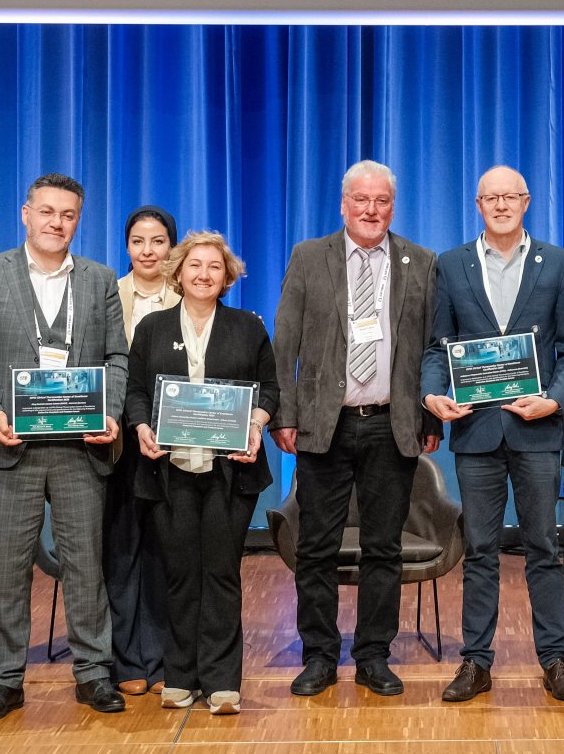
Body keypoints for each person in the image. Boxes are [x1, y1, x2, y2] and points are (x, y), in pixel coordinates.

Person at [0, 173, 129, 721]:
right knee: (9, 569)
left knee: (85, 566)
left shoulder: (100, 279)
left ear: (78, 220)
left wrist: (111, 413)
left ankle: (94, 672)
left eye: (68, 214)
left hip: (81, 448)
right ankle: (4, 679)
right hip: (12, 448)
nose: (57, 223)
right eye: (48, 212)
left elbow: (117, 358)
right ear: (26, 214)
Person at [272, 160, 439, 698]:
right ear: (343, 204)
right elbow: (284, 344)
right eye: (361, 200)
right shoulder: (308, 256)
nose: (371, 210)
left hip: (393, 424)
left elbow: (431, 349)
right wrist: (285, 414)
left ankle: (373, 656)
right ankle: (320, 656)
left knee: (383, 548)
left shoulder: (421, 261)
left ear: (393, 206)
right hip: (326, 425)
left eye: (382, 201)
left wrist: (431, 415)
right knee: (316, 548)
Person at [422, 166, 564, 703]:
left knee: (543, 546)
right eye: (490, 197)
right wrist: (432, 395)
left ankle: (555, 659)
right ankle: (476, 662)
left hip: (537, 430)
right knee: (480, 550)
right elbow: (436, 347)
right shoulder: (451, 264)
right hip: (476, 430)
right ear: (477, 204)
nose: (500, 205)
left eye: (509, 196)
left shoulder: (558, 262)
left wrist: (555, 400)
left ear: (526, 201)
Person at [126, 231, 278, 715]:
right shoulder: (152, 327)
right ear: (178, 272)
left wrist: (255, 425)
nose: (204, 274)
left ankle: (221, 681)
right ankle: (180, 675)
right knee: (179, 574)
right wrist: (142, 426)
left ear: (227, 276)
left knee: (221, 572)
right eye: (195, 265)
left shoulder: (248, 327)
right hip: (168, 470)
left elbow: (270, 389)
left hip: (229, 472)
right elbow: (134, 391)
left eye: (214, 266)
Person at [104, 205, 180, 697]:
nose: (148, 251)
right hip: (116, 444)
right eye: (138, 241)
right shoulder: (105, 294)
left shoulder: (193, 293)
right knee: (121, 550)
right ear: (127, 246)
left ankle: (163, 657)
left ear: (172, 245)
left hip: (174, 443)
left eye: (158, 241)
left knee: (164, 552)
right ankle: (126, 659)